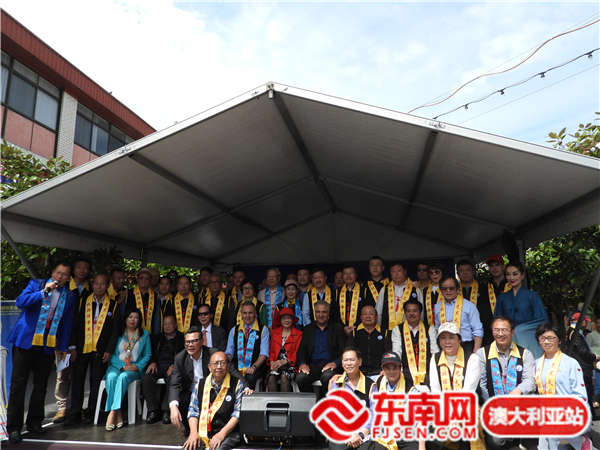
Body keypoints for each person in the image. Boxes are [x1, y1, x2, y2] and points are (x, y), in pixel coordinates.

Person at [6, 261, 77, 444]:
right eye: (57, 272)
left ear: (69, 278)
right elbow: (20, 302)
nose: (59, 277)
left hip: (47, 343)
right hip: (25, 340)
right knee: (18, 384)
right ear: (53, 272)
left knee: (41, 385)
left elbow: (67, 323)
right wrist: (43, 292)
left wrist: (63, 347)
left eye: (64, 274)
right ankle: (14, 428)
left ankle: (35, 423)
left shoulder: (69, 296)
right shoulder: (36, 284)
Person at [65, 273, 121, 426]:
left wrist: (109, 349)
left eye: (102, 284)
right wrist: (72, 346)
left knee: (96, 383)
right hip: (81, 348)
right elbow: (73, 325)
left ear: (107, 286)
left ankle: (92, 413)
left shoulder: (113, 305)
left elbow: (115, 330)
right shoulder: (82, 301)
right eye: (96, 283)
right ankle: (74, 413)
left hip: (100, 350)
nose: (99, 286)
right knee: (76, 381)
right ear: (92, 284)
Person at [169, 327, 247, 434]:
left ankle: (219, 430)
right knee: (181, 400)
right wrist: (173, 406)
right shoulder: (180, 358)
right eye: (187, 342)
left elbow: (233, 371)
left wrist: (246, 387)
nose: (190, 345)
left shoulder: (213, 354)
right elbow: (174, 383)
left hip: (212, 390)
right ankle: (191, 430)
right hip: (192, 391)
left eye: (194, 341)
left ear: (202, 341)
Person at [475, 316, 536, 450]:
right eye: (496, 330)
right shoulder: (482, 353)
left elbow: (530, 380)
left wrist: (517, 391)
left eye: (504, 330)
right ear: (492, 332)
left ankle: (524, 439)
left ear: (512, 332)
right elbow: (481, 384)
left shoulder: (525, 354)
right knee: (496, 442)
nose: (500, 334)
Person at [535, 322, 592, 450]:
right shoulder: (536, 363)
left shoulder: (570, 363)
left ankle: (582, 441)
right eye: (542, 338)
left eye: (551, 338)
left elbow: (579, 393)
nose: (546, 342)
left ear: (559, 340)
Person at [429, 322, 485, 450]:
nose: (447, 342)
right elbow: (435, 390)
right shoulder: (435, 358)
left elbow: (468, 392)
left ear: (459, 340)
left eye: (451, 337)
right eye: (443, 338)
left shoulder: (472, 358)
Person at [53, 256, 92, 424]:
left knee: (79, 375)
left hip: (85, 338)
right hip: (64, 337)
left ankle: (75, 407)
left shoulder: (92, 289)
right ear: (73, 271)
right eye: (79, 267)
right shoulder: (64, 289)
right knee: (63, 372)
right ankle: (62, 406)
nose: (82, 270)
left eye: (85, 268)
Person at [183, 351, 247, 450]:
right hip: (204, 431)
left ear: (228, 366)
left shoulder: (237, 384)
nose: (219, 367)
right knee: (188, 448)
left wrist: (222, 434)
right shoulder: (200, 384)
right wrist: (193, 433)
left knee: (217, 448)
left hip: (228, 432)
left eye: (223, 363)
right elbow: (193, 411)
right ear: (209, 367)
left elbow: (237, 414)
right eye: (215, 363)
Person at [104, 307, 152, 431]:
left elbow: (148, 354)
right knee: (111, 377)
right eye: (130, 317)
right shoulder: (118, 333)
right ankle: (118, 410)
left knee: (123, 377)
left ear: (139, 320)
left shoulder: (144, 334)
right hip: (117, 366)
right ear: (125, 319)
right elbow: (111, 353)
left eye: (136, 317)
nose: (132, 320)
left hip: (133, 368)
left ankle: (112, 413)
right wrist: (122, 366)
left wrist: (138, 366)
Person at [495, 261, 548, 358]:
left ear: (522, 275)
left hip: (528, 337)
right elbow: (497, 320)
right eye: (508, 274)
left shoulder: (532, 295)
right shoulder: (502, 297)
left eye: (515, 274)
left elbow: (542, 319)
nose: (511, 278)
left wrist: (521, 329)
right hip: (507, 336)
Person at [329, 347, 377, 450]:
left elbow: (374, 414)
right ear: (342, 363)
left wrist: (360, 435)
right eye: (345, 360)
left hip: (364, 433)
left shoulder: (371, 385)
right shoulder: (337, 384)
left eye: (352, 360)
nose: (348, 363)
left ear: (360, 362)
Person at [295, 300, 346, 394]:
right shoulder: (308, 329)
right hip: (312, 366)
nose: (321, 315)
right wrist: (302, 363)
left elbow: (344, 351)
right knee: (300, 378)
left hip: (330, 365)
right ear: (314, 313)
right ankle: (312, 401)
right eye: (318, 312)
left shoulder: (337, 328)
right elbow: (301, 350)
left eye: (324, 312)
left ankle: (325, 402)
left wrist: (335, 363)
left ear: (328, 313)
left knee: (327, 377)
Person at [373, 352, 421, 450]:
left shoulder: (411, 390)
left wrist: (422, 446)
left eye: (394, 368)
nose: (391, 372)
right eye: (388, 368)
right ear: (382, 369)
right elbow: (357, 378)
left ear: (400, 368)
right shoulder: (377, 381)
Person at [143, 315, 185, 425]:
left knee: (173, 379)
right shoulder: (157, 338)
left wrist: (175, 365)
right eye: (165, 324)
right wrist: (152, 362)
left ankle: (166, 410)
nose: (167, 326)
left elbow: (184, 354)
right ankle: (153, 410)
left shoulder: (181, 338)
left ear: (175, 324)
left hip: (173, 367)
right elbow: (150, 352)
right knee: (146, 379)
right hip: (158, 366)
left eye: (170, 323)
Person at [391, 299, 439, 389]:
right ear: (405, 313)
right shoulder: (397, 329)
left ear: (420, 313)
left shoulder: (430, 329)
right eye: (408, 311)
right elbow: (397, 351)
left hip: (427, 372)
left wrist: (434, 371)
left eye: (415, 311)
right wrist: (399, 370)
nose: (411, 314)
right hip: (406, 371)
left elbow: (434, 352)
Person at [434, 277, 483, 357]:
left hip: (466, 346)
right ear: (440, 290)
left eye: (451, 288)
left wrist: (475, 352)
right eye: (444, 288)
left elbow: (477, 329)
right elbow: (437, 327)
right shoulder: (437, 307)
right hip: (446, 346)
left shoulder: (469, 306)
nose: (448, 291)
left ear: (457, 289)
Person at [225, 302, 270, 388]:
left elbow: (264, 354)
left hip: (256, 365)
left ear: (255, 314)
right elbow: (229, 353)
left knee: (249, 378)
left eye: (250, 313)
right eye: (245, 313)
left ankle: (248, 396)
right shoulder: (234, 330)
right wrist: (225, 363)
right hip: (237, 366)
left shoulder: (263, 329)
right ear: (241, 314)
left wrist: (254, 367)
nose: (247, 316)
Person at [566, 312, 600, 419]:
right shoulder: (575, 333)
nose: (586, 323)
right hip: (582, 366)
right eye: (585, 321)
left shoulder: (574, 332)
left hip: (582, 365)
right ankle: (588, 413)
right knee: (586, 390)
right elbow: (582, 351)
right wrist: (595, 357)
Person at [457, 259, 495, 347]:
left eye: (468, 270)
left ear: (473, 271)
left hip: (483, 329)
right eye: (461, 271)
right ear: (458, 273)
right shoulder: (454, 291)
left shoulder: (484, 288)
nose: (465, 273)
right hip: (461, 330)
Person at [375, 262, 423, 331]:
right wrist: (379, 329)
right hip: (387, 329)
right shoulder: (385, 289)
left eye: (399, 271)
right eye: (393, 272)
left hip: (410, 330)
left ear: (405, 272)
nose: (396, 274)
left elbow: (421, 311)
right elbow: (379, 311)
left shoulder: (414, 289)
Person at [332, 263, 374, 335]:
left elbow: (368, 310)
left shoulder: (365, 291)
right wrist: (343, 327)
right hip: (341, 331)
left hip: (360, 329)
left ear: (356, 275)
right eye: (345, 273)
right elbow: (333, 313)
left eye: (351, 273)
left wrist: (356, 325)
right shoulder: (336, 293)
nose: (348, 276)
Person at [267, 307, 303, 392]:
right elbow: (271, 351)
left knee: (284, 377)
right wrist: (272, 363)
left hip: (291, 365)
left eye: (289, 318)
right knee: (271, 378)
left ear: (293, 320)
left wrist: (285, 361)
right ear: (280, 320)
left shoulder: (299, 334)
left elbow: (298, 354)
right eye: (284, 318)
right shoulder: (274, 332)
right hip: (276, 365)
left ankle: (285, 400)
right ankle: (273, 401)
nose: (286, 320)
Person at [346, 306, 388, 378]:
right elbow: (349, 351)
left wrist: (385, 368)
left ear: (376, 317)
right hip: (358, 371)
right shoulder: (355, 333)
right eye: (365, 314)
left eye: (371, 314)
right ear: (361, 317)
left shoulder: (384, 332)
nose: (368, 316)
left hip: (379, 371)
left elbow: (388, 352)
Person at [122, 267, 160, 335]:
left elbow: (157, 317)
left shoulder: (155, 296)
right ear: (137, 279)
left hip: (149, 334)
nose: (143, 280)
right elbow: (122, 314)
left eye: (147, 278)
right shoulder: (128, 293)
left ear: (150, 280)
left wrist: (156, 334)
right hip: (130, 333)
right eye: (141, 278)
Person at [422, 261, 444, 328]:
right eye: (431, 272)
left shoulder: (447, 289)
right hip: (429, 325)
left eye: (437, 272)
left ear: (442, 272)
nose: (434, 274)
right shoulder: (425, 290)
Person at [586, 317, 600, 406]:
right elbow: (588, 348)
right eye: (597, 323)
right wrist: (597, 351)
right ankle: (596, 401)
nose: (599, 325)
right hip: (597, 361)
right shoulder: (590, 336)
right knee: (598, 383)